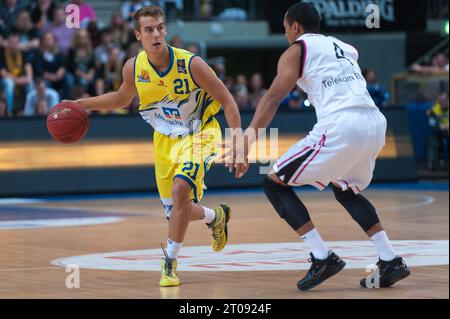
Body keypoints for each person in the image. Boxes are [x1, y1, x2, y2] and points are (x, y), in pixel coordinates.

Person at [228, 3, 410, 291]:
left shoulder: (296, 50)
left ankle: (321, 256)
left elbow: (274, 97)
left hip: (341, 124)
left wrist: (248, 139)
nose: (285, 33)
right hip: (374, 121)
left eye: (286, 28)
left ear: (296, 27)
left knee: (274, 184)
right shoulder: (344, 46)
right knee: (346, 189)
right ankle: (390, 259)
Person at [68, 5, 243, 287]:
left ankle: (169, 263)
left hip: (200, 132)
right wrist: (81, 105)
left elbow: (228, 101)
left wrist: (238, 144)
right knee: (178, 209)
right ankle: (215, 216)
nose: (156, 34)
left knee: (181, 189)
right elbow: (121, 98)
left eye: (160, 27)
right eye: (149, 29)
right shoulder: (133, 67)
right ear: (138, 35)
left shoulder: (191, 64)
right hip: (164, 138)